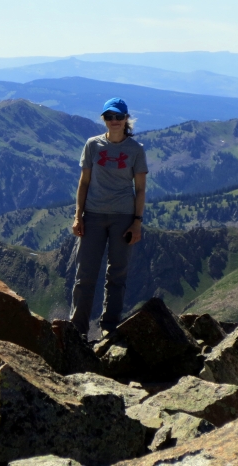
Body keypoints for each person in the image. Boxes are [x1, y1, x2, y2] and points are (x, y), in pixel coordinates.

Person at [69, 97, 148, 338]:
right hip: (92, 216)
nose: (114, 121)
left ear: (126, 119)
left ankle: (109, 328)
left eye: (119, 117)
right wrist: (78, 216)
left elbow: (141, 189)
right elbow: (84, 182)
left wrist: (137, 221)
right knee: (85, 275)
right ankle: (77, 331)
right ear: (104, 119)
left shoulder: (136, 150)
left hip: (123, 218)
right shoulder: (92, 145)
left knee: (117, 274)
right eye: (109, 117)